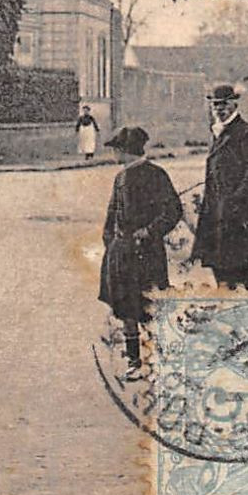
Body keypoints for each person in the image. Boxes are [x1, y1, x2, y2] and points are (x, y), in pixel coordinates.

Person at [97, 126, 183, 378]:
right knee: (125, 307)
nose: (114, 154)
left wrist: (149, 231)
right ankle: (134, 361)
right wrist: (110, 242)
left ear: (125, 151)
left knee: (149, 304)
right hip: (122, 253)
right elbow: (112, 212)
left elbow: (172, 211)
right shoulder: (120, 177)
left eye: (116, 150)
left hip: (147, 253)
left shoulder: (155, 175)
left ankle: (160, 359)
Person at [191, 84, 248, 290]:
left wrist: (236, 199)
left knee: (239, 264)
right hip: (216, 208)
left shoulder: (245, 132)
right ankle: (226, 298)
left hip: (236, 210)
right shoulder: (218, 131)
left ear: (234, 104)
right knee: (219, 262)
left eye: (223, 104)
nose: (218, 109)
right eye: (214, 105)